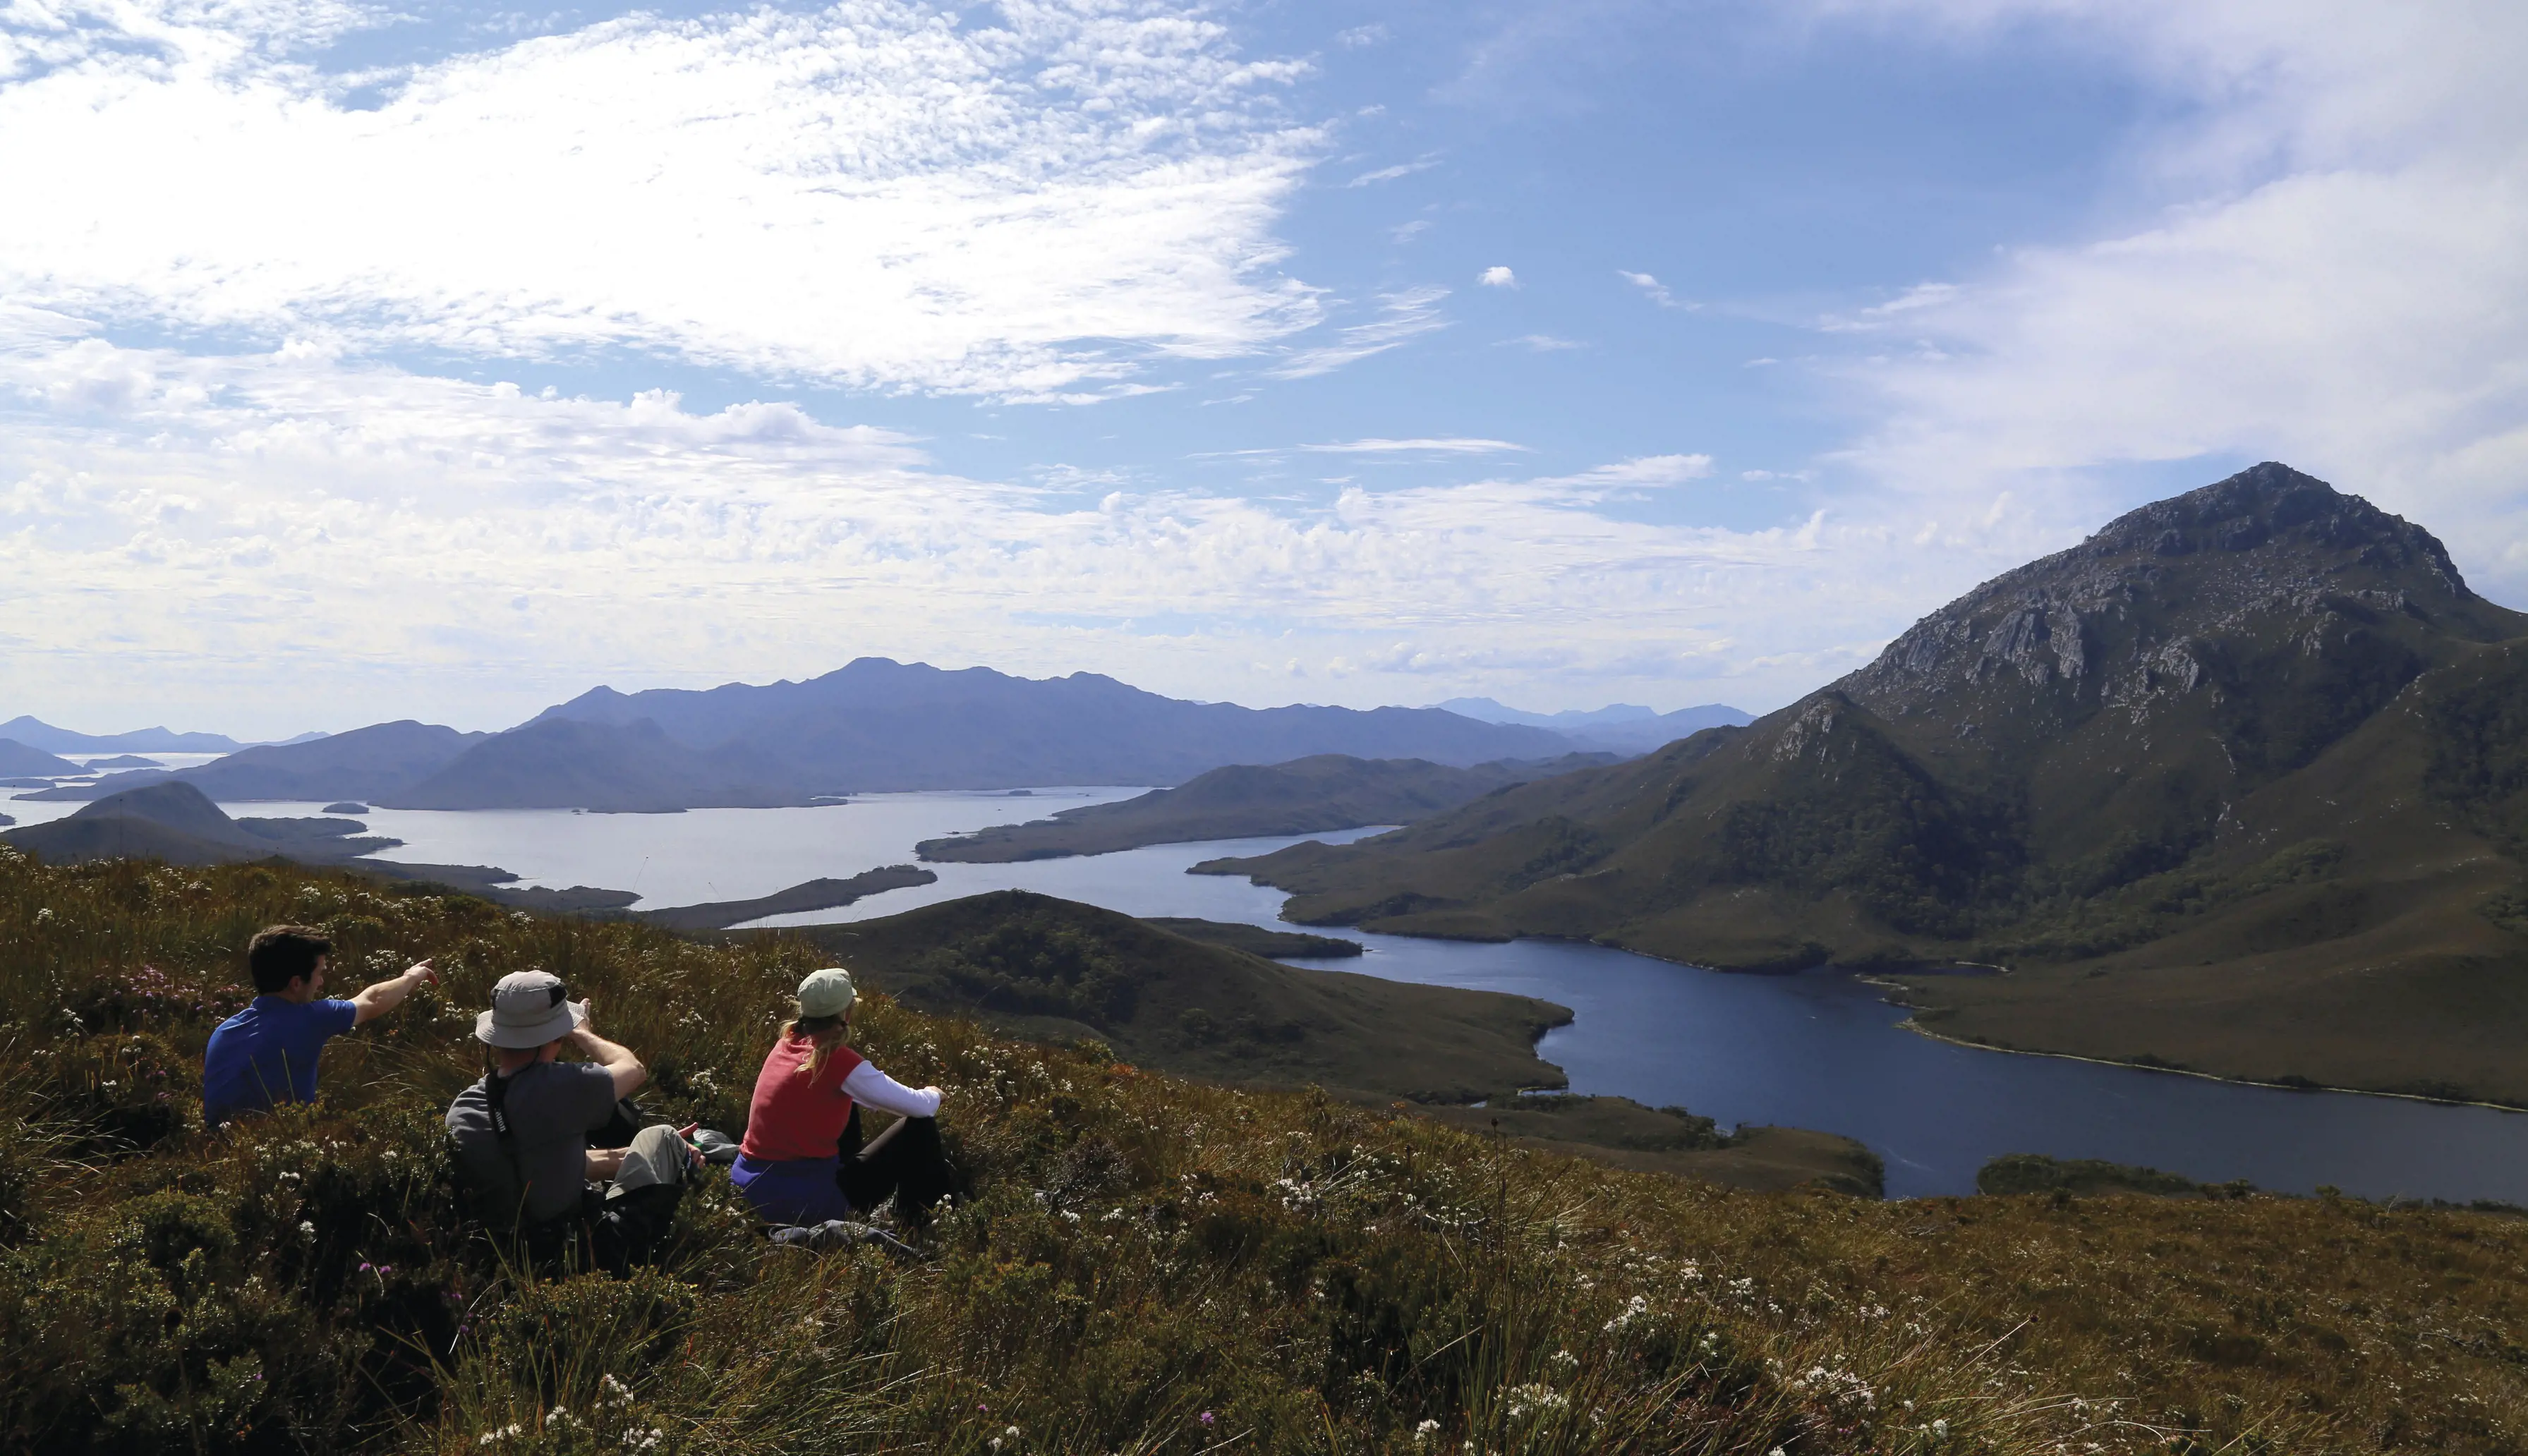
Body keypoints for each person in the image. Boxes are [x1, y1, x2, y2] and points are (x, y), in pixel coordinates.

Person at [445, 970, 696, 1272]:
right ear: (557, 1036)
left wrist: (628, 1156)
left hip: (500, 1259)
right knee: (665, 1136)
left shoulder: (465, 1105)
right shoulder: (564, 1088)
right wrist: (582, 1032)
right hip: (579, 1253)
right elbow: (633, 1068)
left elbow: (542, 1160)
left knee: (644, 1147)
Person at [731, 966, 958, 1227]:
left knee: (847, 1103)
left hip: (751, 1185)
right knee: (920, 1126)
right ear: (846, 1013)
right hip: (799, 1199)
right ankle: (922, 1218)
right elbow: (919, 1107)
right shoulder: (836, 1061)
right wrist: (934, 1094)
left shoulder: (787, 1043)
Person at [202, 925, 437, 1128]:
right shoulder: (310, 1019)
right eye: (319, 973)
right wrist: (411, 978)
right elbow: (372, 1001)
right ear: (296, 983)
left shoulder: (224, 1030)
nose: (321, 982)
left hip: (215, 1154)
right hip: (274, 1155)